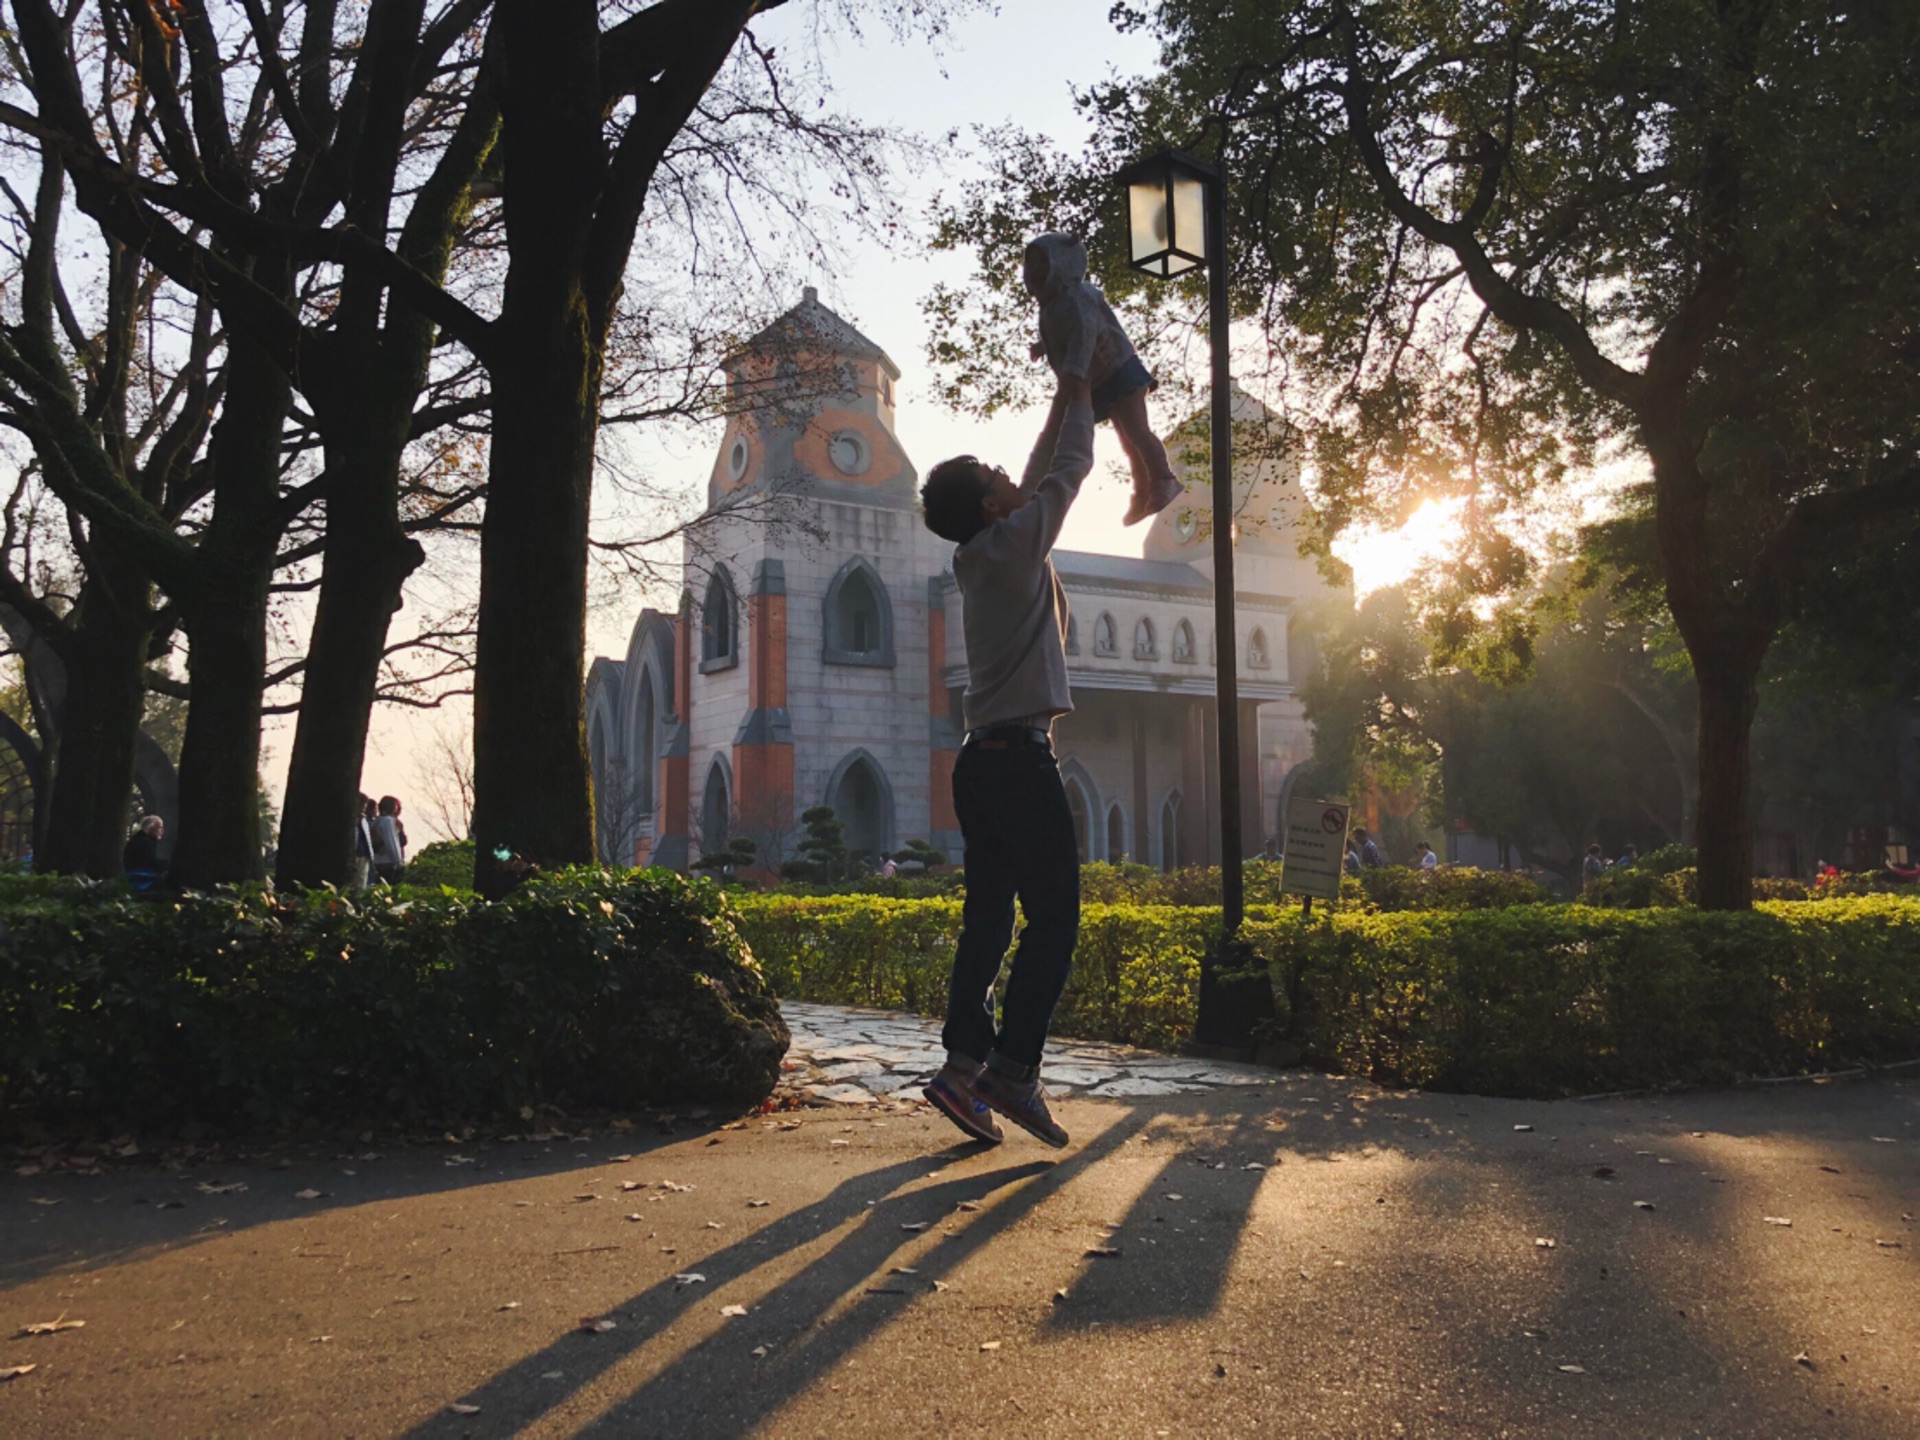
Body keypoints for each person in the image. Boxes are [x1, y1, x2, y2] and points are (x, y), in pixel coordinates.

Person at [915, 371, 1098, 1149]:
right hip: (1022, 764)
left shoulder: (985, 551)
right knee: (1053, 918)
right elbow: (1068, 473)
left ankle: (964, 1068)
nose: (1006, 476)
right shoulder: (1018, 540)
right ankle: (1013, 1070)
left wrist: (1058, 398)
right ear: (992, 508)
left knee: (988, 917)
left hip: (978, 763)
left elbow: (1028, 480)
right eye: (995, 477)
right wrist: (1085, 391)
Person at [1022, 233, 1180, 526]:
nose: (1032, 272)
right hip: (1102, 378)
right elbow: (1064, 333)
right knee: (1126, 437)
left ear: (1061, 263)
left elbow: (1085, 332)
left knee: (1136, 430)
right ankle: (1142, 491)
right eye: (1029, 265)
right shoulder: (1053, 305)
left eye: (1040, 263)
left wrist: (1075, 370)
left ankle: (1162, 479)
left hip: (1117, 368)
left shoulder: (1078, 296)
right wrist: (1044, 346)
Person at [371, 795, 407, 884]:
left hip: (378, 861)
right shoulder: (388, 821)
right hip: (389, 862)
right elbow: (391, 842)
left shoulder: (377, 821)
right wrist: (398, 861)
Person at [123, 815, 164, 891]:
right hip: (142, 877)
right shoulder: (145, 842)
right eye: (160, 827)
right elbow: (149, 861)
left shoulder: (138, 839)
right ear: (152, 828)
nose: (162, 831)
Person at [351, 796, 376, 889]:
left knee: (361, 880)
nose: (364, 806)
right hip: (354, 853)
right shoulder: (351, 818)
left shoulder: (364, 819)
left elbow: (367, 837)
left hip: (364, 853)